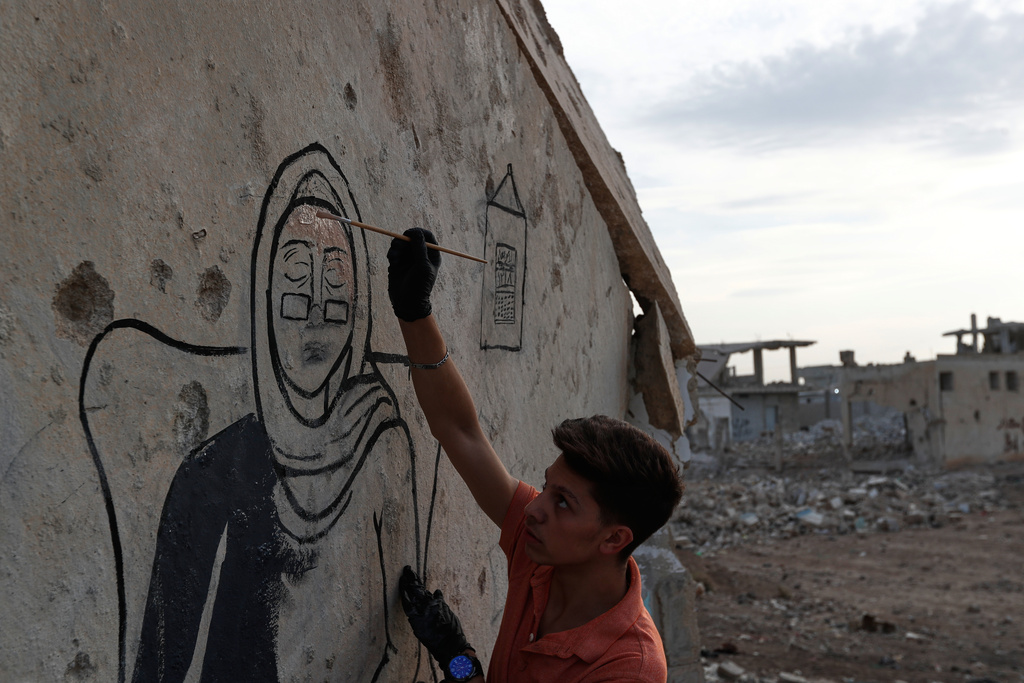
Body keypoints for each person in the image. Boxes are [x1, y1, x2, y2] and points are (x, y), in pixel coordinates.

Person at [388, 228, 684, 682]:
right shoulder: (546, 554)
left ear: (613, 539)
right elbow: (461, 433)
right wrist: (415, 313)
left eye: (563, 501)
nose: (533, 509)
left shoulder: (628, 669)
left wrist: (458, 660)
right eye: (547, 488)